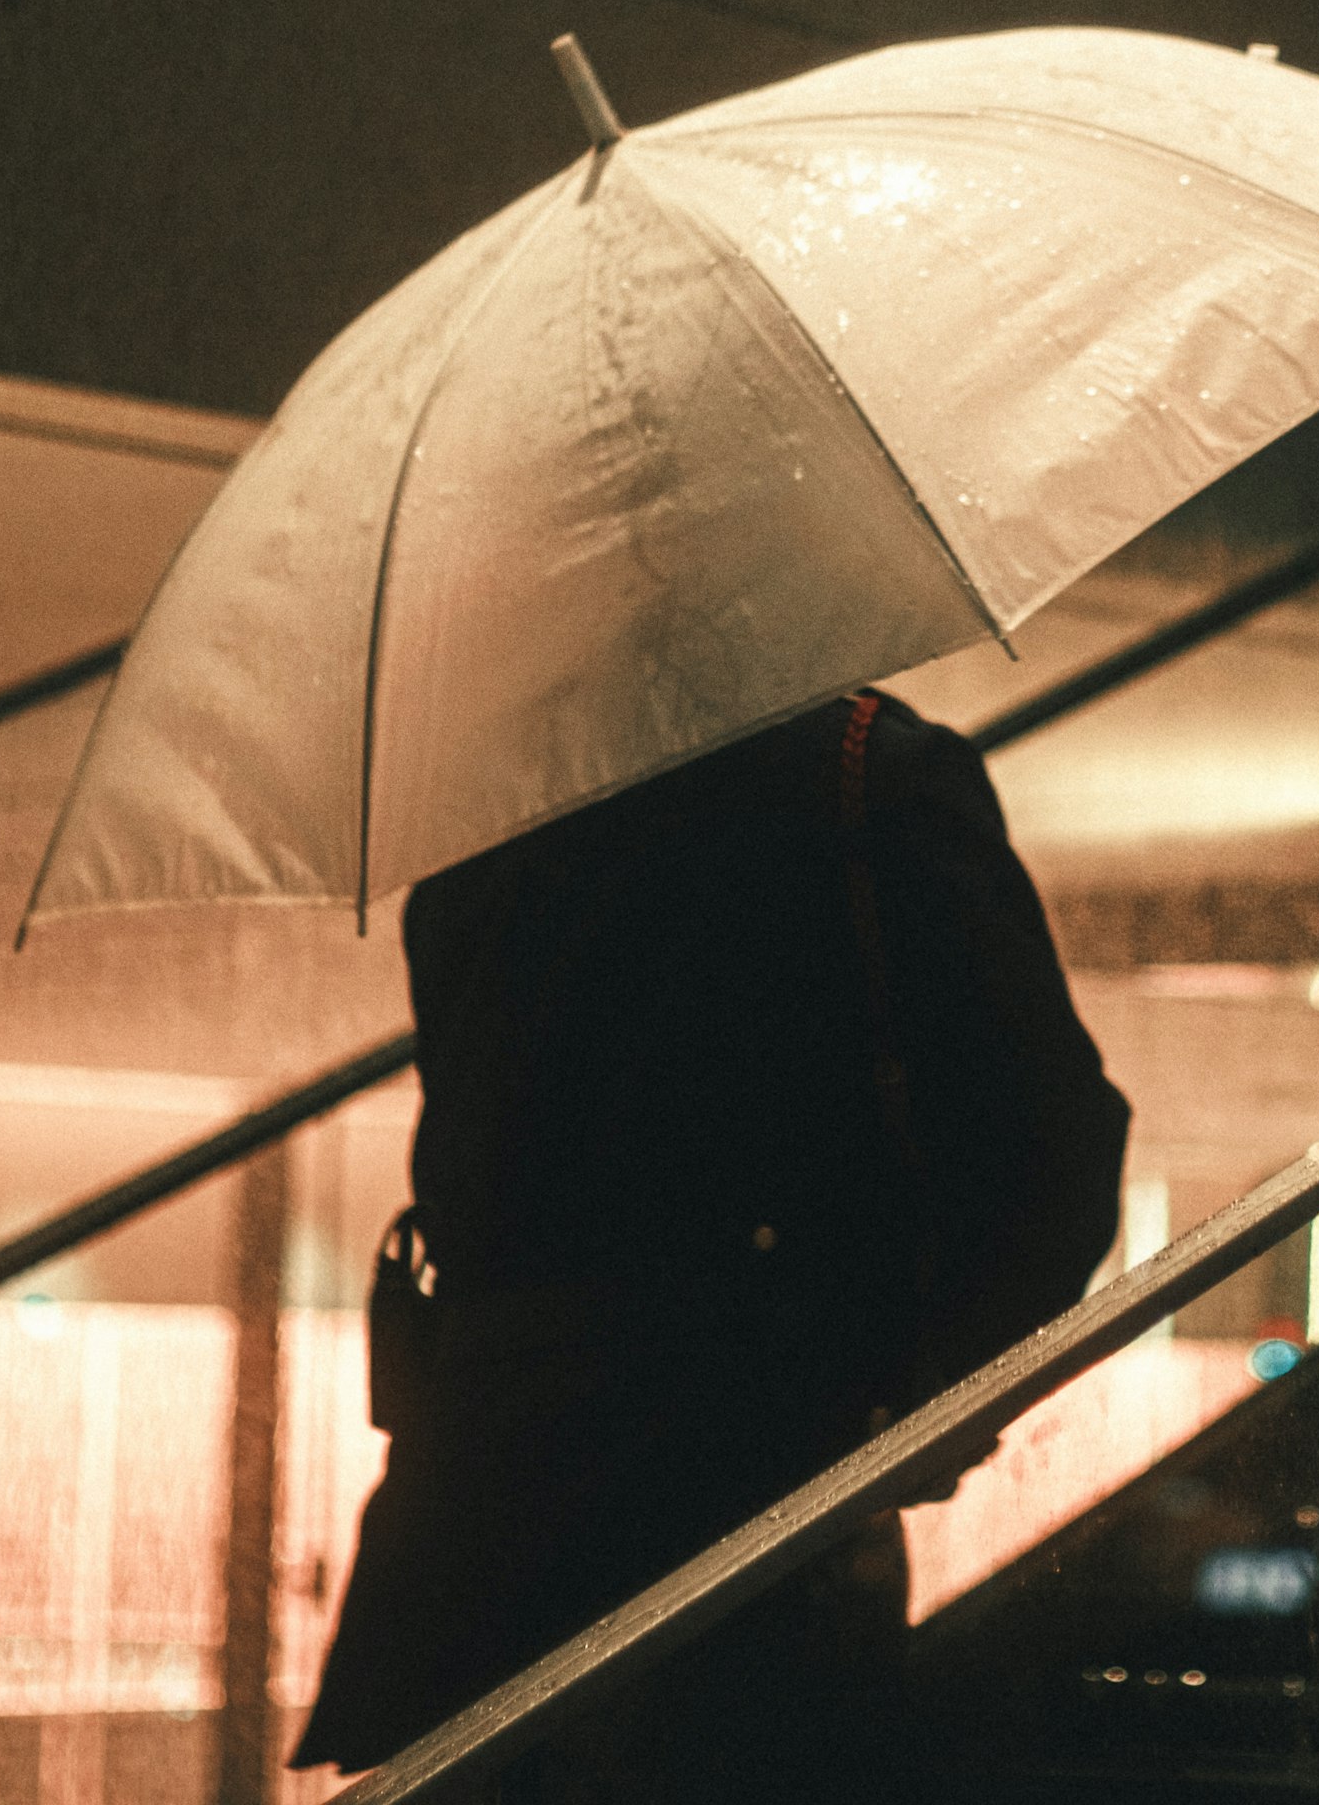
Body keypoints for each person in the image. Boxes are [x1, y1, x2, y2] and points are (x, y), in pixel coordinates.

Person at [292, 689, 1130, 1796]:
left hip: (482, 1525)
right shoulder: (866, 776)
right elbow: (1056, 1142)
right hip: (760, 1502)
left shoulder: (489, 815)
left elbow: (469, 1177)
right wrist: (918, 1397)